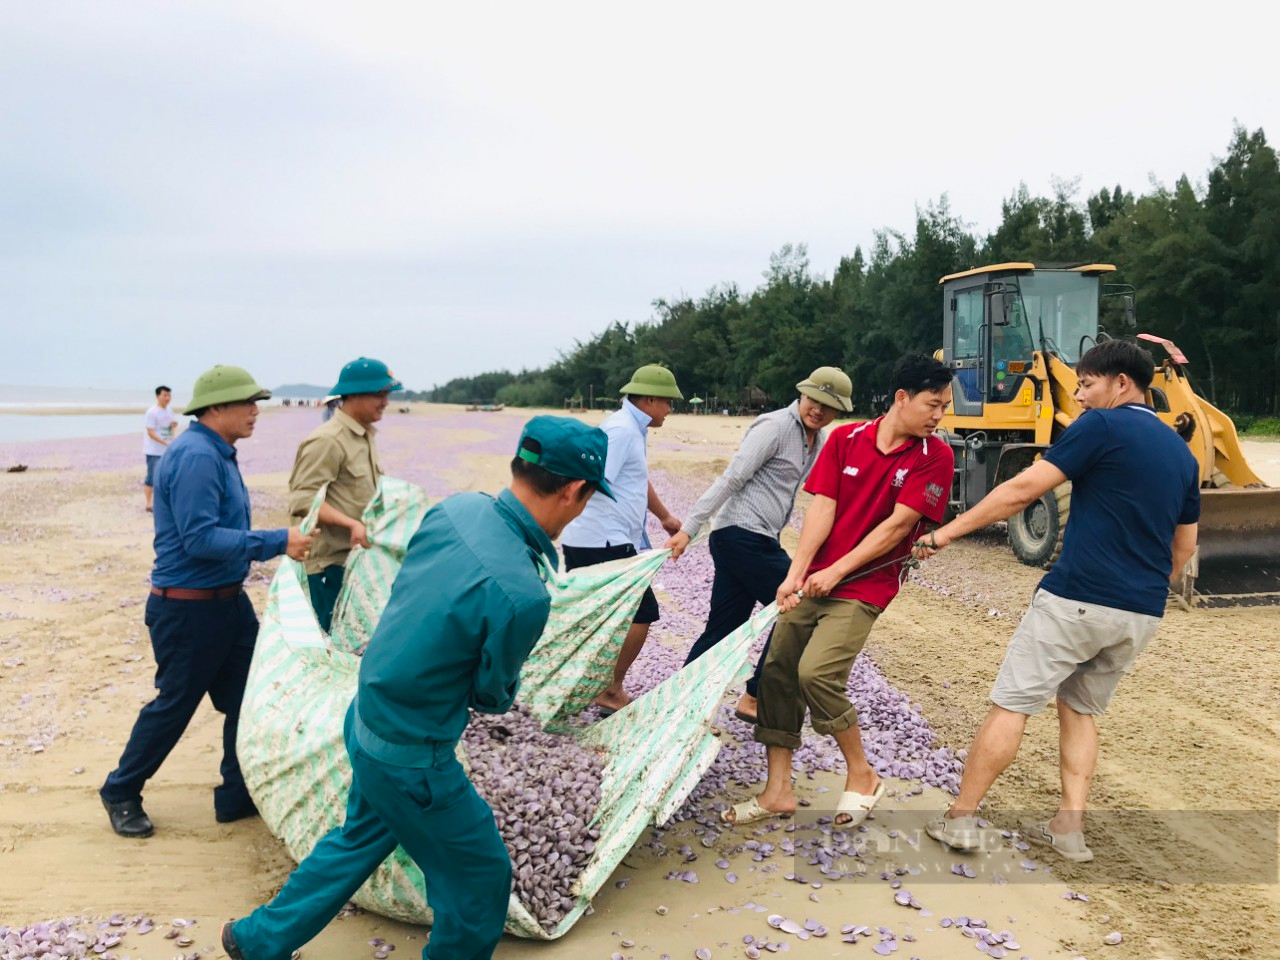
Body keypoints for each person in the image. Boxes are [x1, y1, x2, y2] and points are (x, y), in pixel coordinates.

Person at [221, 416, 612, 960]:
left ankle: (255, 940)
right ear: (574, 491)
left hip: (367, 716)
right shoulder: (524, 593)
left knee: (358, 839)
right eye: (588, 499)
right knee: (480, 877)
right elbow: (493, 696)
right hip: (413, 759)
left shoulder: (456, 509)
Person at [921, 340, 1198, 862]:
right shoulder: (1181, 453)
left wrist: (945, 533)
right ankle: (1070, 829)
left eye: (1087, 384)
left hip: (1078, 598)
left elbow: (1022, 489)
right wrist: (1142, 590)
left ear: (1121, 384)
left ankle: (961, 816)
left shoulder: (1101, 426)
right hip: (1139, 613)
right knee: (1080, 709)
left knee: (1013, 704)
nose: (1081, 395)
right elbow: (1184, 547)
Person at [721, 354, 955, 828]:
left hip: (866, 584)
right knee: (777, 672)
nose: (939, 416)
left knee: (817, 675)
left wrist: (838, 571)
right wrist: (797, 572)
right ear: (901, 398)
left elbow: (898, 527)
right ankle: (777, 791)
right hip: (815, 578)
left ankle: (862, 775)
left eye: (945, 407)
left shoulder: (936, 456)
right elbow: (822, 510)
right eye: (933, 404)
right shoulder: (845, 440)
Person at [99, 366, 313, 839]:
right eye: (247, 403)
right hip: (188, 609)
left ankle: (236, 795)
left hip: (226, 605)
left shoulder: (218, 451)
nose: (256, 411)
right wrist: (279, 540)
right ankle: (121, 790)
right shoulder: (196, 455)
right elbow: (199, 540)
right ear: (216, 408)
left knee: (247, 700)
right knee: (175, 705)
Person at [666, 366, 853, 723]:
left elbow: (825, 496)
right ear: (803, 393)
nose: (818, 409)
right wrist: (688, 529)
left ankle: (680, 707)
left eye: (828, 405)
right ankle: (754, 695)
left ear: (837, 411)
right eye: (814, 399)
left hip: (760, 540)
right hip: (740, 536)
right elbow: (732, 477)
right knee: (798, 607)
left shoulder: (820, 441)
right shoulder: (774, 427)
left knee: (723, 631)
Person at [559, 364, 684, 715]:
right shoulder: (621, 431)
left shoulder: (631, 428)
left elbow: (635, 480)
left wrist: (663, 517)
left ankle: (579, 682)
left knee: (598, 616)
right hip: (602, 540)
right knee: (641, 613)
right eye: (667, 402)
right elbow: (592, 479)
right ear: (648, 399)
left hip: (606, 539)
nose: (670, 410)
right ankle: (609, 689)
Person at [288, 359, 401, 632]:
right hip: (329, 567)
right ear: (352, 395)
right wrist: (350, 524)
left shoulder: (363, 436)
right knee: (331, 646)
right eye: (378, 394)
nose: (385, 401)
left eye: (386, 394)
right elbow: (303, 500)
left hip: (356, 563)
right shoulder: (328, 440)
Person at [143, 385, 178, 512]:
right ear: (158, 396)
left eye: (169, 395)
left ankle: (165, 502)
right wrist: (165, 443)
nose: (167, 398)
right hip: (153, 450)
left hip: (167, 449)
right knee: (152, 477)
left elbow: (169, 427)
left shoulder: (169, 410)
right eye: (165, 395)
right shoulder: (152, 412)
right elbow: (150, 432)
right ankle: (148, 504)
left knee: (167, 476)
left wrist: (173, 425)